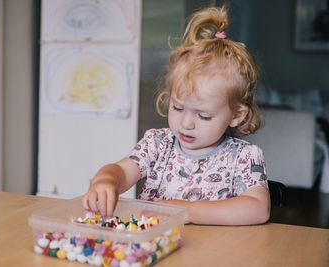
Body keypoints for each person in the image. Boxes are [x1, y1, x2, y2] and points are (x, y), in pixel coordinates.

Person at [82, 4, 270, 225]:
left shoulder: (243, 157)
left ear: (236, 115)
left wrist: (186, 211)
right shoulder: (157, 144)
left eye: (204, 116)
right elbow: (121, 171)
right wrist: (106, 180)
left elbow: (258, 209)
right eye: (178, 108)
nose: (186, 123)